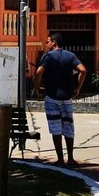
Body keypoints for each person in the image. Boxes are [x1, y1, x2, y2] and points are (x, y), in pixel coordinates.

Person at [33, 33, 87, 166]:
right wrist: (77, 88)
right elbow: (83, 70)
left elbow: (39, 72)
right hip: (67, 98)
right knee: (68, 127)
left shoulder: (48, 57)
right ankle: (71, 158)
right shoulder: (70, 56)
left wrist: (36, 87)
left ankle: (60, 159)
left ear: (54, 42)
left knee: (55, 128)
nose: (46, 45)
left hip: (51, 97)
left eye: (48, 42)